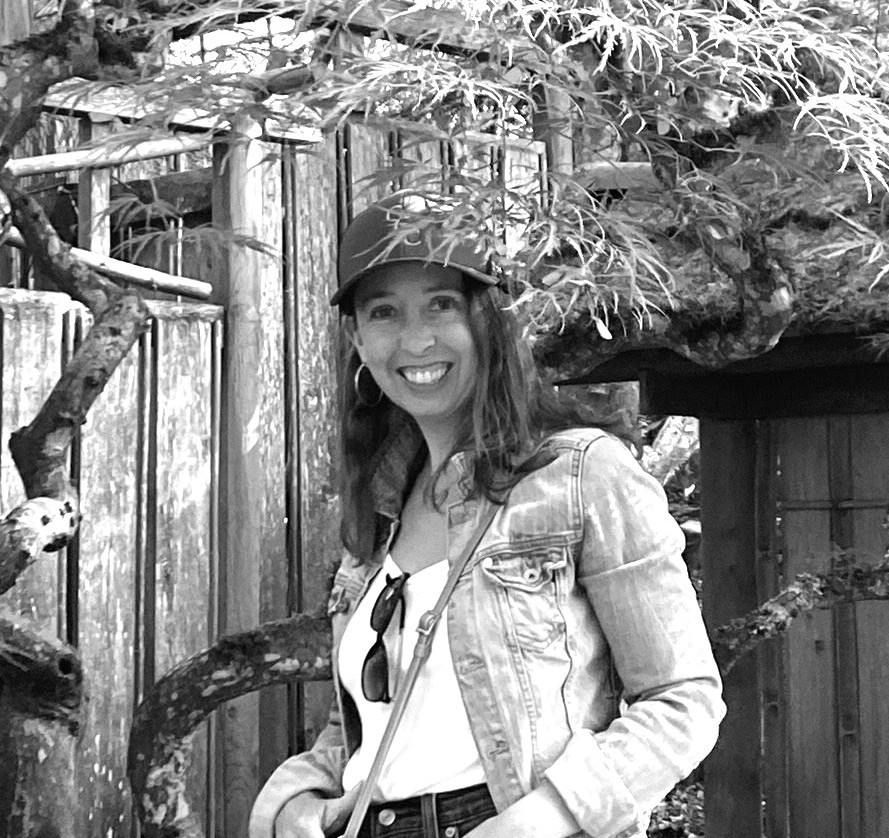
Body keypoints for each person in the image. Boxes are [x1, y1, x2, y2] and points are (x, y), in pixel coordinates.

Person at [249, 195, 725, 838]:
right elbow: (368, 724)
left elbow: (682, 700)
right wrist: (297, 803)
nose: (416, 339)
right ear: (358, 338)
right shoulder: (378, 514)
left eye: (441, 305)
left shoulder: (580, 475)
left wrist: (541, 819)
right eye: (384, 312)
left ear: (489, 319)